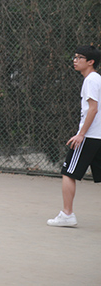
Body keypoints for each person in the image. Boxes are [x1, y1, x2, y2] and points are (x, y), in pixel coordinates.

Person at [47, 45, 101, 227]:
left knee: (68, 173)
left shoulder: (91, 80)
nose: (75, 60)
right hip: (98, 136)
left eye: (79, 57)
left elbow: (93, 109)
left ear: (91, 62)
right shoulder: (97, 79)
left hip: (89, 136)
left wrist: (81, 134)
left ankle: (67, 215)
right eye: (75, 57)